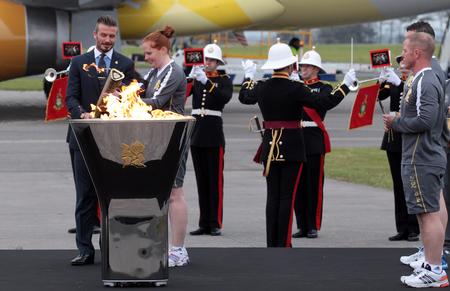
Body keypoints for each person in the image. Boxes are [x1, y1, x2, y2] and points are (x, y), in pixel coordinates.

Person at [239, 41, 356, 247]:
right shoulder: (296, 88)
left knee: (272, 197)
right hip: (292, 147)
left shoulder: (262, 86)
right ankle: (283, 243)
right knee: (286, 197)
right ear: (290, 66)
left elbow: (245, 97)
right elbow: (324, 102)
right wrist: (345, 86)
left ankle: (271, 242)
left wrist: (248, 76)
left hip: (269, 146)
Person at [66, 15, 135, 266]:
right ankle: (85, 250)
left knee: (111, 196)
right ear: (94, 35)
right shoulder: (78, 62)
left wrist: (123, 97)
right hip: (82, 138)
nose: (107, 40)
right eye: (103, 35)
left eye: (112, 36)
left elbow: (136, 96)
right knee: (84, 196)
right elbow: (70, 97)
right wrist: (80, 113)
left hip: (113, 140)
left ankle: (111, 249)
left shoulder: (125, 64)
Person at [383, 32, 448, 288]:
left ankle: (434, 269)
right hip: (425, 155)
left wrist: (396, 122)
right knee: (432, 209)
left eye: (406, 50)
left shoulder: (425, 80)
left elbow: (427, 120)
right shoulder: (420, 78)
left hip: (422, 157)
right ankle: (432, 261)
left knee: (427, 214)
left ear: (417, 53)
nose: (403, 54)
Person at [140, 26, 189, 267]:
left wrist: (125, 100)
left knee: (174, 192)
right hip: (156, 136)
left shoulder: (174, 71)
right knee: (158, 192)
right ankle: (163, 245)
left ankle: (178, 250)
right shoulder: (153, 72)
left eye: (149, 53)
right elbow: (139, 91)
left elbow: (157, 102)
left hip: (174, 135)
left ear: (162, 50)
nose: (146, 58)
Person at [292, 50, 340, 239]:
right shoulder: (295, 86)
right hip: (297, 138)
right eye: (301, 66)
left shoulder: (324, 87)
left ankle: (312, 225)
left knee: (313, 186)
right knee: (298, 186)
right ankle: (301, 225)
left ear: (315, 69)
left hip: (313, 139)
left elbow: (324, 103)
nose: (302, 69)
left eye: (306, 66)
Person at [188, 43, 233, 236]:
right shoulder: (197, 78)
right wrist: (190, 76)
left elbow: (224, 98)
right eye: (206, 59)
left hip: (213, 134)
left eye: (213, 60)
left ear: (218, 63)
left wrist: (206, 81)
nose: (209, 63)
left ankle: (215, 222)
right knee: (202, 181)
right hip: (197, 133)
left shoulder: (224, 80)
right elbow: (182, 93)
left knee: (215, 182)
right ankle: (204, 222)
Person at [377, 64, 420, 242]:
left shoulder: (416, 82)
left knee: (409, 183)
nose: (402, 67)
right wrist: (381, 81)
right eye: (400, 64)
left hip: (409, 134)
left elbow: (414, 100)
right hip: (394, 135)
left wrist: (400, 84)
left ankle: (413, 228)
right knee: (397, 183)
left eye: (405, 64)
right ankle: (402, 227)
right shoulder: (395, 82)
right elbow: (380, 96)